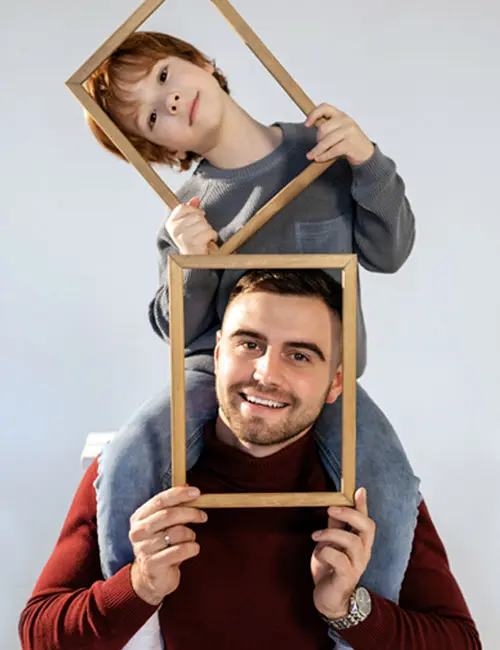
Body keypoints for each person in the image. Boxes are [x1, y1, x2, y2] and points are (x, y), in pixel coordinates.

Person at [84, 30, 421, 645]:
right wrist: (191, 262)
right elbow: (177, 333)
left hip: (326, 379)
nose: (170, 103)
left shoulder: (322, 148)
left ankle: (358, 625)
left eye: (164, 78)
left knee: (393, 484)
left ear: (201, 62)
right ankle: (134, 604)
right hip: (220, 377)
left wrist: (368, 162)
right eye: (151, 119)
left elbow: (391, 250)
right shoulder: (186, 209)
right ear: (157, 149)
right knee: (127, 451)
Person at [19, 270, 481, 650]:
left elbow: (462, 641)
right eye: (249, 344)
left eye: (299, 355)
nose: (266, 374)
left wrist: (348, 609)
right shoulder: (132, 476)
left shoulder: (368, 495)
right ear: (217, 354)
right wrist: (138, 586)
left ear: (335, 383)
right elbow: (38, 634)